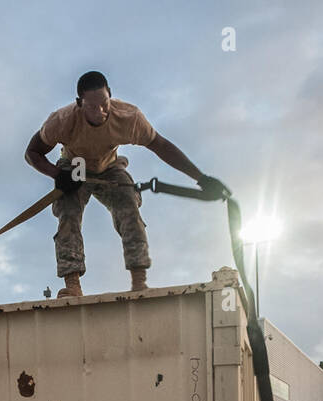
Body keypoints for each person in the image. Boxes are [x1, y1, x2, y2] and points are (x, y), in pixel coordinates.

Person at [24, 70, 227, 297]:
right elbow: (32, 152)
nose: (100, 111)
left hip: (110, 167)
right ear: (79, 103)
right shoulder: (62, 121)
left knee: (129, 205)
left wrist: (201, 178)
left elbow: (161, 145)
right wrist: (56, 174)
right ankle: (73, 285)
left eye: (104, 103)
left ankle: (139, 281)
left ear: (110, 94)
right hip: (75, 167)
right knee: (68, 211)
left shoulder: (129, 117)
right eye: (91, 106)